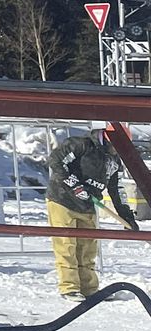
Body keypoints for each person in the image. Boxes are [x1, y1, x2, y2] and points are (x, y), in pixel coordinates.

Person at [46, 126, 139, 299]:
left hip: (88, 204)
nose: (118, 150)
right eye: (117, 145)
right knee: (66, 245)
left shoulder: (114, 161)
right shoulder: (82, 145)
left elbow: (116, 190)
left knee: (88, 248)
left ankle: (89, 289)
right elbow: (56, 160)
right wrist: (74, 185)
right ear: (108, 138)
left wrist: (126, 216)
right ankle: (69, 288)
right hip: (62, 200)